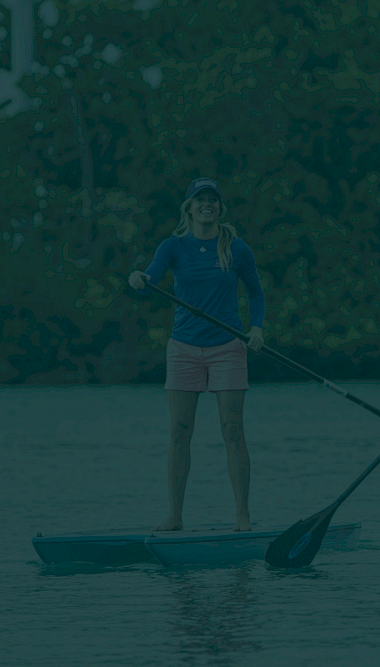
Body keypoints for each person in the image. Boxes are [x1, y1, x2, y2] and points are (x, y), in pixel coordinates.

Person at [127, 177, 266, 532]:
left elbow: (255, 293)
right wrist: (141, 279)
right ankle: (175, 516)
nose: (208, 204)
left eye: (213, 200)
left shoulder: (237, 249)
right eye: (200, 199)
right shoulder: (173, 247)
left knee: (232, 429)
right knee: (179, 431)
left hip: (228, 347)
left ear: (220, 209)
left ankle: (242, 517)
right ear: (189, 207)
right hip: (184, 348)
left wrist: (257, 329)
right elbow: (153, 279)